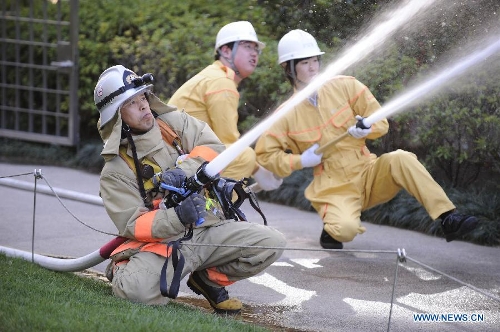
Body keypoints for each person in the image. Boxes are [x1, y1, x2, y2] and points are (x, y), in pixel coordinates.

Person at [255, 29, 478, 249]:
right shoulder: (285, 114)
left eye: (315, 60)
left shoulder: (346, 85)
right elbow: (265, 155)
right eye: (304, 63)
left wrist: (366, 128)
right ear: (288, 68)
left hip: (367, 171)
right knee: (345, 229)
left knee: (401, 158)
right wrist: (300, 161)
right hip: (333, 187)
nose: (313, 67)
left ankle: (448, 217)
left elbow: (381, 123)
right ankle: (332, 230)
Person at [94, 65, 286, 314]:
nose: (143, 105)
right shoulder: (115, 171)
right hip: (164, 244)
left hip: (208, 229)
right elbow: (134, 224)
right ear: (116, 115)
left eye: (143, 96)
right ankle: (124, 268)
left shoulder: (172, 123)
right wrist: (178, 216)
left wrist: (184, 172)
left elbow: (214, 146)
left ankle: (207, 279)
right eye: (132, 102)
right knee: (136, 291)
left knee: (271, 243)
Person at [169, 21, 282, 191]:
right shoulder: (221, 82)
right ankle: (217, 214)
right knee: (244, 155)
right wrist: (258, 171)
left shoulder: (215, 76)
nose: (254, 54)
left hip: (178, 159)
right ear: (226, 50)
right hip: (179, 162)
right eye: (247, 47)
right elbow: (228, 145)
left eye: (256, 49)